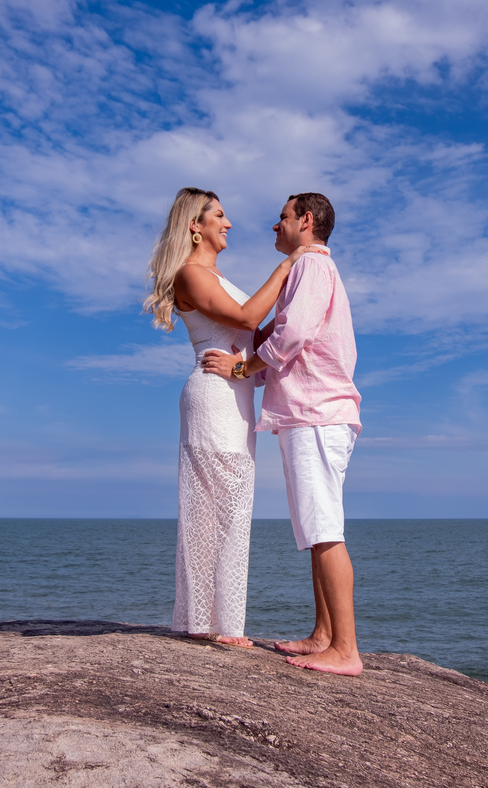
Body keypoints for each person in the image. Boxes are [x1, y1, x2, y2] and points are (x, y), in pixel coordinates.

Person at [203, 192, 363, 676]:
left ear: (306, 220)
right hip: (311, 413)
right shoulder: (308, 271)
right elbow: (275, 331)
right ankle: (325, 635)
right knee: (316, 530)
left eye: (283, 217)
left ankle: (346, 649)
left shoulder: (311, 266)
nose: (276, 226)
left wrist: (242, 368)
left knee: (324, 529)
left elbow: (292, 335)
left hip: (316, 413)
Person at [144, 187, 309, 648]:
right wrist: (288, 264)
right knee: (212, 507)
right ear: (195, 226)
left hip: (235, 395)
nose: (228, 223)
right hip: (213, 396)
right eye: (219, 215)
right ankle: (207, 622)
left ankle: (211, 620)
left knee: (231, 505)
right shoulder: (190, 274)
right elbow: (245, 317)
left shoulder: (215, 276)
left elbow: (255, 334)